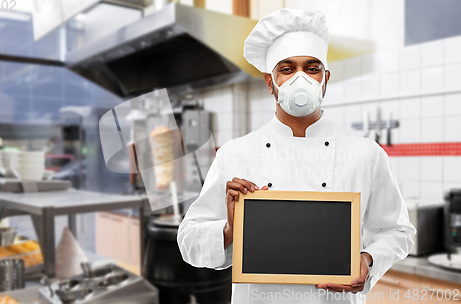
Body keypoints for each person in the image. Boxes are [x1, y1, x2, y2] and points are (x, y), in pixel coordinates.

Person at [177, 9, 416, 304]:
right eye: (287, 69)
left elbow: (398, 231)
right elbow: (188, 241)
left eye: (312, 68)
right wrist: (229, 230)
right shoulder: (234, 154)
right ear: (270, 82)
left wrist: (368, 260)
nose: (300, 78)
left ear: (325, 79)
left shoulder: (366, 154)